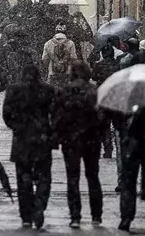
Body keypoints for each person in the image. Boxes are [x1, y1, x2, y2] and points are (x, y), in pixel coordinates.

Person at [3, 64, 56, 229]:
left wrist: (17, 127)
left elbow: (7, 114)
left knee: (23, 179)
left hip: (22, 141)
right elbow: (55, 114)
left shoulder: (14, 90)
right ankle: (39, 206)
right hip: (42, 140)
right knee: (43, 178)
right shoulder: (48, 90)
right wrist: (49, 131)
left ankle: (26, 214)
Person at [53, 61, 103, 228]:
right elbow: (102, 117)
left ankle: (75, 216)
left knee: (72, 178)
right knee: (93, 176)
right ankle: (96, 215)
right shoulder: (95, 91)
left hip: (71, 140)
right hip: (92, 139)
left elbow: (57, 117)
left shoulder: (64, 91)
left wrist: (60, 135)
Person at [92, 44, 121, 159]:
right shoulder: (118, 65)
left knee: (105, 125)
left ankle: (108, 150)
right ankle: (120, 149)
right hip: (115, 97)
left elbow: (93, 77)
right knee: (118, 124)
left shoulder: (98, 65)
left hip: (103, 96)